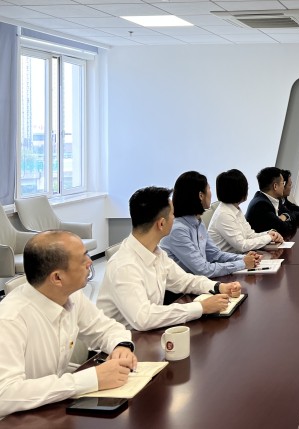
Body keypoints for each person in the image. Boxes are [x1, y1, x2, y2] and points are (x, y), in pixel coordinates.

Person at [0, 231, 137, 418]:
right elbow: (5, 394)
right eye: (83, 259)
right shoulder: (10, 319)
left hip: (53, 410)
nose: (90, 262)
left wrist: (121, 345)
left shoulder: (71, 295)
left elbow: (105, 329)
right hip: (17, 419)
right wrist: (91, 379)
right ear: (57, 278)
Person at [97, 186, 242, 331]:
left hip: (147, 335)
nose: (175, 218)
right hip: (123, 341)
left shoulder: (156, 252)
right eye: (173, 214)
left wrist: (218, 287)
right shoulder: (124, 266)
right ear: (161, 224)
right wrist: (201, 307)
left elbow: (185, 281)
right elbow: (144, 318)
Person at [160, 171, 261, 277]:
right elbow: (203, 270)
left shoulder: (198, 223)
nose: (211, 194)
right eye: (209, 189)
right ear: (201, 195)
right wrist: (242, 263)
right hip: (182, 287)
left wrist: (244, 258)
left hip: (198, 282)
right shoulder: (178, 230)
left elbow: (215, 255)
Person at [209, 169, 283, 252]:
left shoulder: (235, 209)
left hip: (238, 256)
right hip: (226, 259)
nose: (247, 189)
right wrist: (269, 238)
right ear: (238, 190)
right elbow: (242, 245)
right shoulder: (224, 214)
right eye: (246, 187)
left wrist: (268, 234)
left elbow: (249, 235)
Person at [245, 167, 295, 238]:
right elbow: (286, 230)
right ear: (275, 186)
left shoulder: (269, 199)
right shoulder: (261, 205)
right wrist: (285, 219)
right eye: (283, 183)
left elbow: (292, 214)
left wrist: (285, 216)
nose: (284, 187)